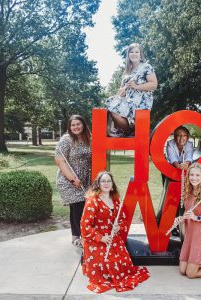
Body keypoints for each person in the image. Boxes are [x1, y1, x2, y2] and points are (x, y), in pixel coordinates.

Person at [81, 171, 149, 293]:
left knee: (122, 264)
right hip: (96, 240)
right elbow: (85, 226)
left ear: (112, 185)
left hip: (112, 237)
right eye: (103, 181)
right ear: (98, 184)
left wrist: (119, 227)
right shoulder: (92, 201)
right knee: (107, 265)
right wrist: (101, 238)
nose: (106, 183)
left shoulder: (115, 200)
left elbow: (122, 218)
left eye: (109, 181)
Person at [105, 43, 158, 137]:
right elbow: (122, 90)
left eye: (137, 52)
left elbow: (154, 85)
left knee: (113, 105)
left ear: (140, 54)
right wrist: (122, 92)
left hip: (141, 101)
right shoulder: (127, 72)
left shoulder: (146, 67)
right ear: (128, 55)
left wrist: (136, 86)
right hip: (128, 100)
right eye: (131, 52)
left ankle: (131, 130)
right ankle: (128, 131)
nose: (134, 54)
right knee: (110, 103)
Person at [55, 115, 92, 248]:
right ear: (69, 127)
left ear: (83, 124)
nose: (76, 127)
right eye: (73, 125)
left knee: (80, 209)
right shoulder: (66, 139)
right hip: (68, 180)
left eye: (78, 124)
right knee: (78, 207)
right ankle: (78, 237)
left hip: (85, 181)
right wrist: (72, 179)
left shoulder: (89, 138)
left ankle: (76, 236)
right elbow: (60, 161)